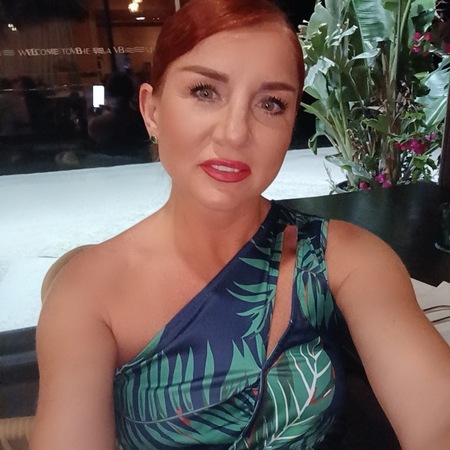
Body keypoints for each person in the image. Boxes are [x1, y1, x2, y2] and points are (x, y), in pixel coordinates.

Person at [30, 0, 450, 449]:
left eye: (271, 104)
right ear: (152, 110)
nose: (234, 133)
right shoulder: (88, 291)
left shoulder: (344, 259)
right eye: (204, 92)